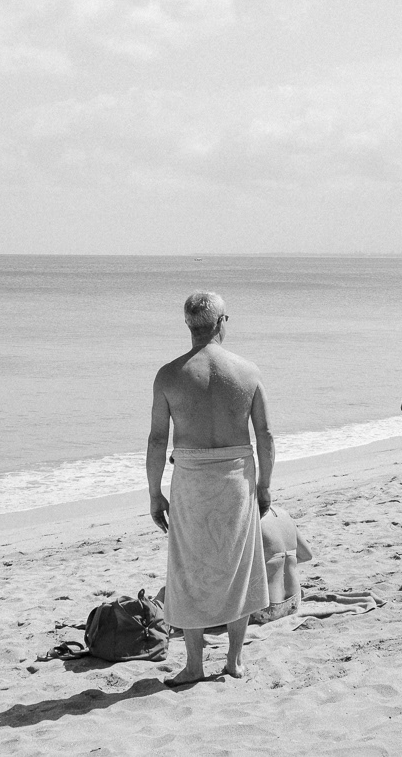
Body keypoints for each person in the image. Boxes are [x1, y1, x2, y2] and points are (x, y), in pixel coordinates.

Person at [147, 291, 273, 685]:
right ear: (223, 323)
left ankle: (194, 665)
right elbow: (265, 436)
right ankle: (234, 661)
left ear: (188, 326)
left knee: (188, 569)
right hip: (237, 477)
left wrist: (154, 493)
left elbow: (156, 440)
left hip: (191, 479)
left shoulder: (169, 375)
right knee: (238, 566)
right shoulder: (247, 371)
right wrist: (265, 485)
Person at [248, 507, 315, 625]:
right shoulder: (284, 514)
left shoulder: (251, 521)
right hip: (294, 602)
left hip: (266, 611)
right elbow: (307, 555)